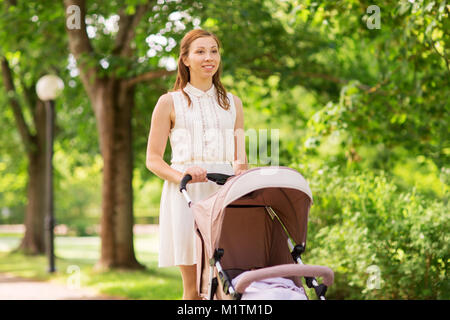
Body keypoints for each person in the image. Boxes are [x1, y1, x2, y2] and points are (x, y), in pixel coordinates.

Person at [146, 29, 248, 300]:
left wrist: (241, 176)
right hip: (186, 194)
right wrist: (183, 174)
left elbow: (240, 158)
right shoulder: (169, 102)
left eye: (213, 51)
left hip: (223, 194)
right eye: (200, 51)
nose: (209, 57)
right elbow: (153, 159)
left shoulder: (234, 104)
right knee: (192, 292)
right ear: (186, 59)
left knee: (224, 283)